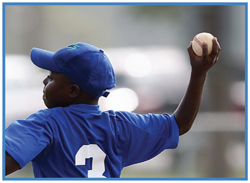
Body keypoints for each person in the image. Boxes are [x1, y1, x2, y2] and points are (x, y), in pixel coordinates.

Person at [5, 39, 221, 178]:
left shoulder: (45, 124)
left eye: (51, 78)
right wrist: (199, 73)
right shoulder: (121, 126)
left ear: (73, 90)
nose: (44, 82)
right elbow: (179, 124)